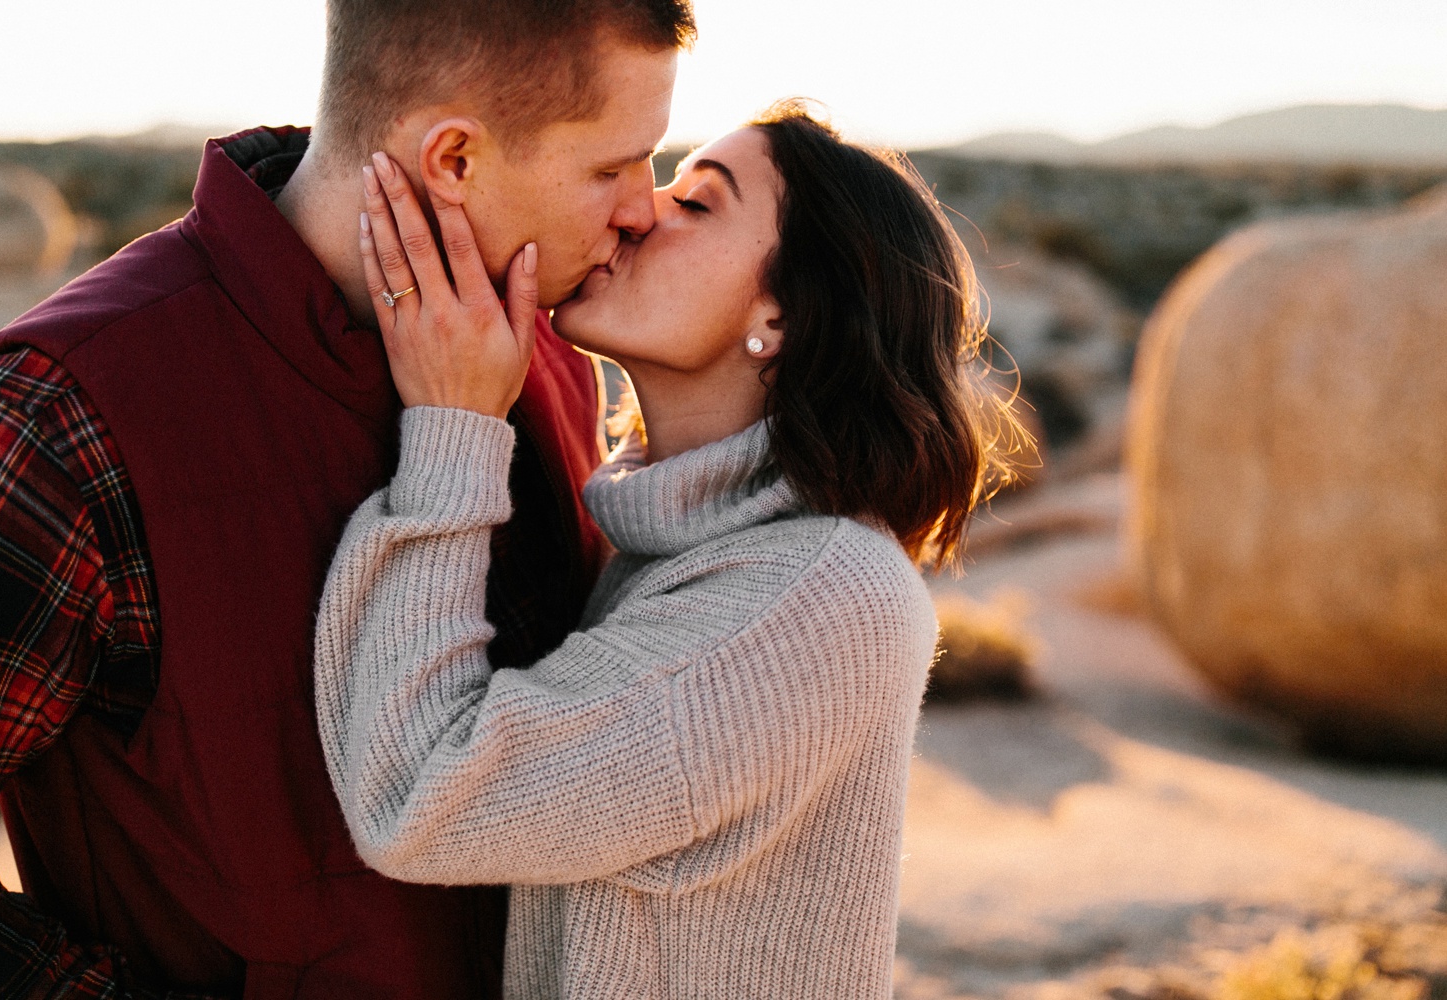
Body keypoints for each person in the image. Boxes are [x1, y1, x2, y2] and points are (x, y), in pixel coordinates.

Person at [0, 1, 694, 996]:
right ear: (455, 159)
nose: (644, 206)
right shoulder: (60, 415)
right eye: (613, 167)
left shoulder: (550, 353)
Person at [315, 102, 1026, 999]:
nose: (640, 210)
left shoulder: (818, 595)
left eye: (697, 203)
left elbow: (420, 799)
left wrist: (454, 426)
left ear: (788, 313)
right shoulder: (690, 551)